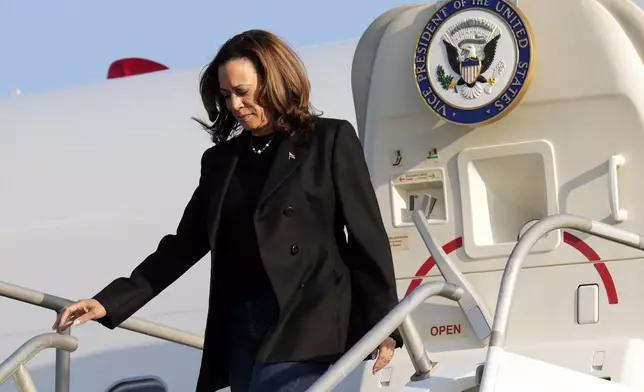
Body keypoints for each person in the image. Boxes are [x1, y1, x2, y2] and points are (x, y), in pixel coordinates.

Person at [52, 29, 403, 392]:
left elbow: (367, 239)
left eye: (242, 92)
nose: (234, 104)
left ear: (274, 82)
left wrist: (385, 326)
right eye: (226, 94)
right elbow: (184, 244)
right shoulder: (222, 162)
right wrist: (107, 302)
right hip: (243, 324)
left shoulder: (328, 140)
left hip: (305, 317)